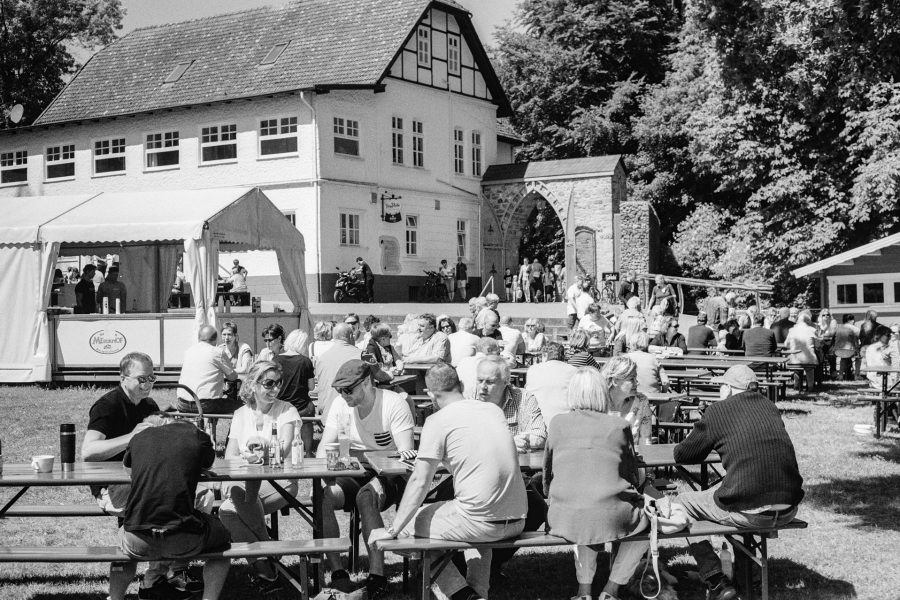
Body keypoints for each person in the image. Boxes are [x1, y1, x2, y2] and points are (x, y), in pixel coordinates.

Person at [368, 363, 527, 600]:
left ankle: (459, 594)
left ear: (431, 394)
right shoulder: (492, 410)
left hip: (481, 522)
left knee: (406, 530)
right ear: (461, 385)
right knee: (473, 522)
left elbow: (420, 482)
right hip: (517, 517)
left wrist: (392, 529)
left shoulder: (437, 421)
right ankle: (477, 593)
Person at [673, 365, 804, 600]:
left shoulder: (718, 411)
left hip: (750, 509)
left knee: (681, 503)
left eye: (722, 386)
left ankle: (716, 579)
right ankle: (747, 573)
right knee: (731, 488)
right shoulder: (769, 406)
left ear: (728, 389)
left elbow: (684, 455)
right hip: (788, 507)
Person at [83, 352, 196, 600]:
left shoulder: (149, 405)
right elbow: (88, 451)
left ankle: (156, 579)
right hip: (110, 487)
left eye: (152, 379)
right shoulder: (108, 406)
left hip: (143, 483)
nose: (147, 385)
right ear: (123, 378)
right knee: (168, 510)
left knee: (195, 498)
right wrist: (131, 437)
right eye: (141, 379)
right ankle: (151, 581)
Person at [544, 366, 651, 600]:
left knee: (583, 512)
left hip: (565, 513)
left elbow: (547, 473)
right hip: (610, 512)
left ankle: (584, 591)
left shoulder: (557, 423)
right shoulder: (619, 426)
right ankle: (611, 589)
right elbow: (632, 475)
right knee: (648, 525)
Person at [318, 359, 417, 597]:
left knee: (365, 497)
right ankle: (338, 573)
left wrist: (368, 458)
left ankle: (377, 577)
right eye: (339, 390)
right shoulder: (340, 406)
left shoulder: (393, 404)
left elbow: (404, 458)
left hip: (389, 474)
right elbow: (324, 447)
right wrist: (325, 473)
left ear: (366, 383)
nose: (343, 395)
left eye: (347, 389)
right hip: (354, 470)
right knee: (323, 497)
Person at [113, 414, 231, 600]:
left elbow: (128, 469)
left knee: (120, 544)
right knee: (223, 545)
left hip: (137, 539)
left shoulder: (138, 437)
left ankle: (115, 597)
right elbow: (208, 463)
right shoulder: (196, 434)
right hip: (183, 538)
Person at [218, 361, 300, 589]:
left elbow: (283, 449)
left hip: (280, 481)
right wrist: (232, 472)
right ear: (253, 385)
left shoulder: (287, 410)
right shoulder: (240, 414)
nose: (275, 389)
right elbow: (230, 453)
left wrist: (262, 448)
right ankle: (268, 561)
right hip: (244, 482)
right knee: (228, 510)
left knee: (229, 508)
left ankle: (265, 560)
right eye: (269, 383)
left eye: (278, 383)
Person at [476, 355, 546, 451]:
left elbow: (540, 436)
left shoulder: (524, 398)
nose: (483, 386)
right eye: (480, 380)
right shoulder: (468, 399)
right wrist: (508, 444)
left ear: (506, 382)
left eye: (490, 382)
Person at [176, 326, 240, 414]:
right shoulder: (217, 352)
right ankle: (232, 428)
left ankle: (206, 426)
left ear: (199, 338)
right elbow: (233, 377)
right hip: (206, 405)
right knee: (241, 405)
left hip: (182, 403)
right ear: (216, 339)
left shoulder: (188, 351)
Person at [274, 329, 315, 454]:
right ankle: (308, 451)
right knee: (310, 411)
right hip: (301, 407)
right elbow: (312, 387)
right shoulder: (305, 361)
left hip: (281, 406)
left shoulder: (276, 360)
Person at [315, 323, 364, 421]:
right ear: (350, 336)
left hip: (328, 413)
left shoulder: (322, 357)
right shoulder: (361, 355)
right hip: (352, 413)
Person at [601, 355, 652, 443]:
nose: (637, 383)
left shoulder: (641, 402)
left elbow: (646, 440)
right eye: (632, 379)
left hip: (631, 455)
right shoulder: (598, 403)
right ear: (615, 381)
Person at [525, 341, 577, 427]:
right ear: (562, 356)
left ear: (544, 355)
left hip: (535, 423)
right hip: (564, 424)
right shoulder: (573, 371)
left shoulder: (532, 370)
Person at [832, 314, 860, 381]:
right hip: (849, 351)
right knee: (859, 358)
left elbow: (833, 340)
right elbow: (856, 341)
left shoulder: (838, 328)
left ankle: (841, 375)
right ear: (852, 320)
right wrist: (857, 349)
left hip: (838, 351)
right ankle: (857, 375)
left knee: (843, 358)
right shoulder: (855, 329)